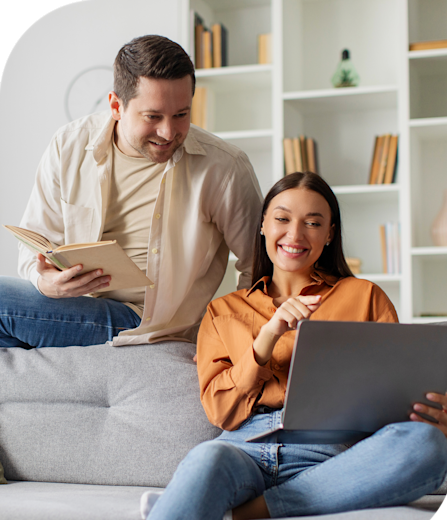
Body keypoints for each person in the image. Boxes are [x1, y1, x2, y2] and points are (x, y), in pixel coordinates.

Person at [135, 171, 447, 520]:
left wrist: (432, 417)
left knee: (427, 445)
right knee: (206, 460)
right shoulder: (223, 310)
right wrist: (269, 334)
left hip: (333, 454)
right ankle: (218, 503)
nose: (296, 234)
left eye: (313, 223)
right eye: (283, 219)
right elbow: (221, 411)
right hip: (244, 446)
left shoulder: (364, 296)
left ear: (330, 234)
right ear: (263, 226)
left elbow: (393, 396)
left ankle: (240, 512)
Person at [0, 35, 263, 348]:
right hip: (78, 306)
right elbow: (35, 237)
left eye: (181, 114)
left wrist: (236, 337)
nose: (168, 132)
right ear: (116, 106)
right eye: (153, 116)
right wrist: (46, 284)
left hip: (148, 324)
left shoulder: (225, 167)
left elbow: (258, 265)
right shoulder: (68, 144)